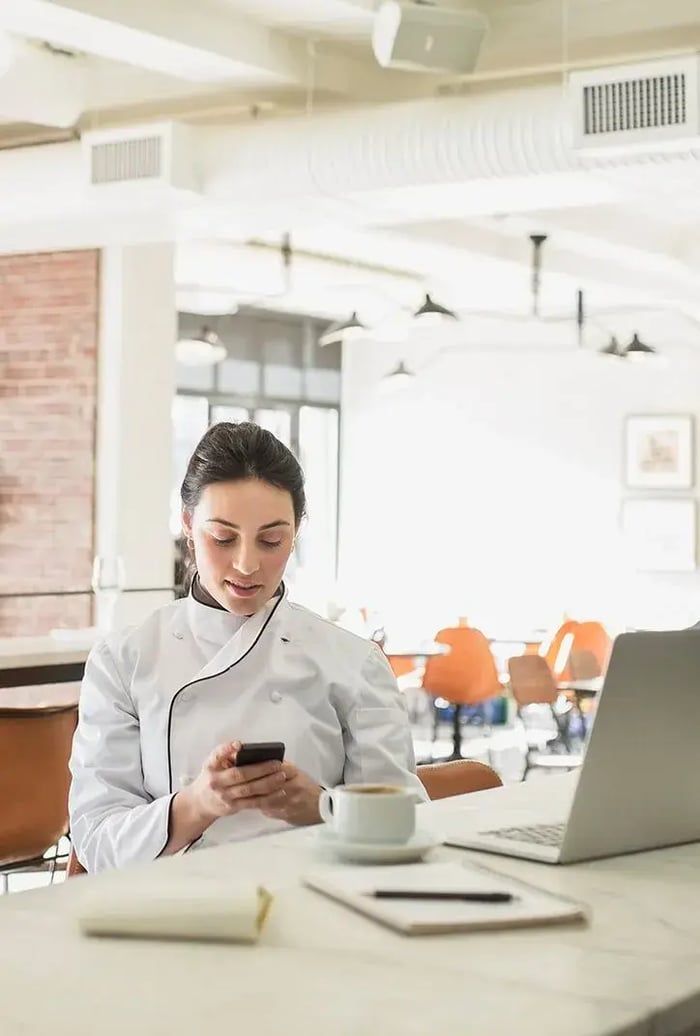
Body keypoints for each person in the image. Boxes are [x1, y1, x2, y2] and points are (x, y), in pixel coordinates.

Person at [69, 422, 424, 873]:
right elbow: (97, 841)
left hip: (318, 901)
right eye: (222, 538)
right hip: (167, 911)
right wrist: (198, 805)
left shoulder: (354, 662)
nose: (246, 564)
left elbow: (410, 822)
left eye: (272, 540)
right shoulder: (123, 661)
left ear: (296, 532)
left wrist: (320, 807)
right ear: (187, 525)